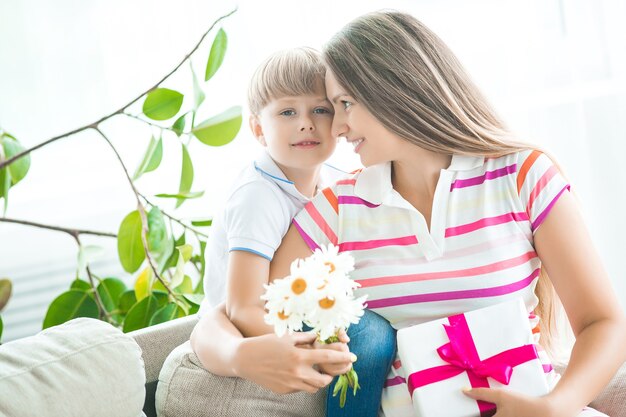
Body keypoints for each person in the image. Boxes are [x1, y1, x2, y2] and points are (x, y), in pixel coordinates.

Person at [193, 11, 626, 417]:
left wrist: (558, 405)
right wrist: (238, 355)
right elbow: (227, 316)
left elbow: (603, 323)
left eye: (343, 104)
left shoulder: (522, 173)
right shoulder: (337, 208)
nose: (337, 128)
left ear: (394, 90)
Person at [192, 47, 397, 416]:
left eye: (320, 110)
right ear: (258, 129)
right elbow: (243, 306)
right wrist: (314, 344)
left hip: (301, 306)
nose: (306, 123)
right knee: (371, 336)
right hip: (253, 323)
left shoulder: (331, 182)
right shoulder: (258, 195)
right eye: (288, 112)